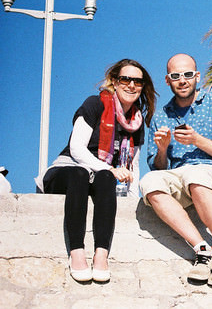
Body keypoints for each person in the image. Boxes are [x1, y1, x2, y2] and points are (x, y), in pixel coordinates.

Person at [37, 59, 156, 283]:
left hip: (100, 179)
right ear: (115, 81)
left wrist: (132, 199)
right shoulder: (95, 104)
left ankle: (101, 254)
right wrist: (110, 169)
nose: (131, 85)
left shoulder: (137, 121)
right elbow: (76, 148)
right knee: (82, 173)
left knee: (104, 178)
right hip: (68, 170)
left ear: (143, 87)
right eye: (125, 79)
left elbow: (133, 166)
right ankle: (77, 252)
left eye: (138, 81)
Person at [139, 53, 212, 288]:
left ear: (197, 76)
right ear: (168, 80)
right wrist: (162, 149)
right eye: (176, 76)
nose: (182, 80)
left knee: (196, 174)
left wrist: (197, 140)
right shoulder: (160, 116)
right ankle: (203, 250)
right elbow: (157, 166)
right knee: (149, 182)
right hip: (178, 176)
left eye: (187, 75)